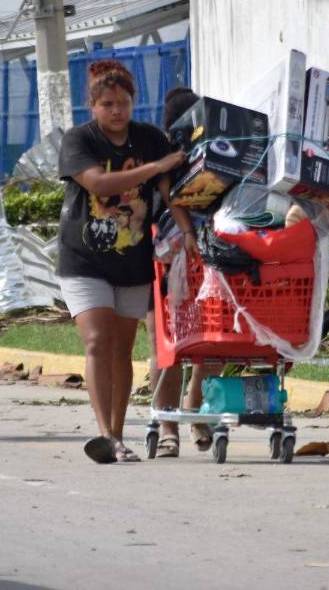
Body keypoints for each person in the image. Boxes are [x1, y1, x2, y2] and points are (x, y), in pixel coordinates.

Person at [57, 60, 190, 463]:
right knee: (98, 340)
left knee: (122, 349)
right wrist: (155, 167)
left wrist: (188, 233)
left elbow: (170, 193)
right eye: (108, 104)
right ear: (93, 107)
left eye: (124, 103)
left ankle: (117, 433)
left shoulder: (149, 138)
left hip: (132, 261)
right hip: (83, 259)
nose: (117, 111)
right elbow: (98, 183)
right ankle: (104, 435)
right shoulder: (79, 140)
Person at [146, 86, 213, 458]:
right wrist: (186, 231)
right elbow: (168, 198)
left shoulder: (213, 153)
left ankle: (190, 410)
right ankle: (170, 424)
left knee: (213, 340)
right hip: (165, 261)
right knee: (165, 346)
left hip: (204, 260)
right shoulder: (162, 157)